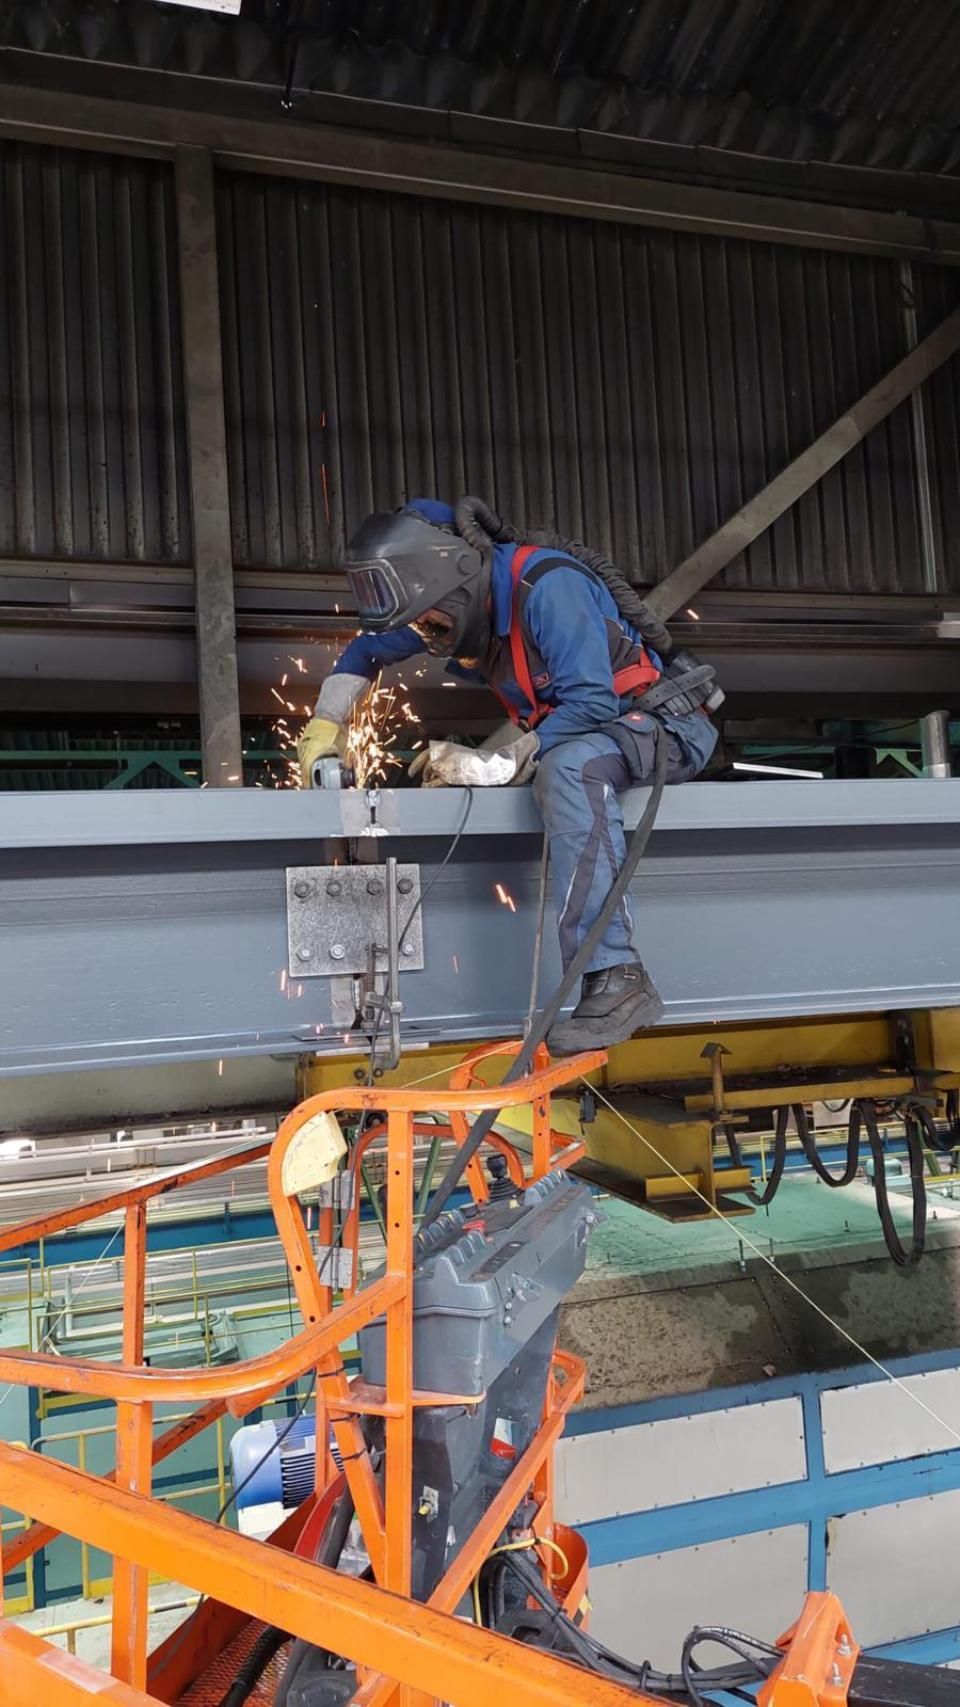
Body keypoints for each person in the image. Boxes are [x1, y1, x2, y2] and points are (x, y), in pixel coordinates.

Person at [298, 497, 719, 1054]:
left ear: (458, 577)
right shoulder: (445, 607)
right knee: (538, 767)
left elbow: (592, 702)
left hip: (663, 726)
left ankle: (618, 978)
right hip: (589, 732)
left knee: (570, 770)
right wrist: (325, 727)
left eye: (431, 621)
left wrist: (495, 763)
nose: (426, 635)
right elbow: (368, 649)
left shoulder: (547, 588)